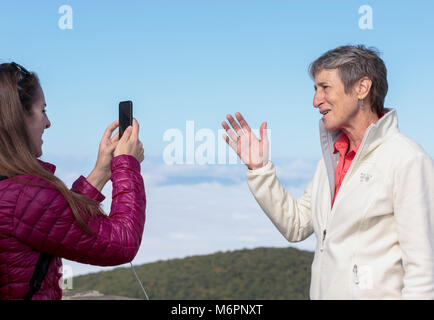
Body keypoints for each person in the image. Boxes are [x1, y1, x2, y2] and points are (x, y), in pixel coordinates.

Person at [222, 45, 434, 299]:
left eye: (325, 87)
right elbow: (296, 225)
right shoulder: (331, 159)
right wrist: (259, 169)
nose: (315, 101)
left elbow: (423, 271)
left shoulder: (408, 159)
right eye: (315, 89)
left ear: (361, 88)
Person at [0, 62, 146, 300]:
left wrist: (101, 171)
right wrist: (127, 166)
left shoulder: (11, 187)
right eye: (43, 110)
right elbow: (122, 243)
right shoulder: (21, 195)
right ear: (16, 119)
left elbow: (54, 220)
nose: (48, 123)